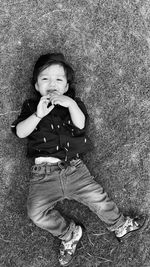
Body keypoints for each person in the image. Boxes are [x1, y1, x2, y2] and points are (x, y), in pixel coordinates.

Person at [11, 53, 145, 266]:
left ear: (65, 87)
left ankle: (120, 224)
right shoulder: (30, 107)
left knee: (98, 199)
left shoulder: (73, 105)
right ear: (37, 86)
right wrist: (37, 115)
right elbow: (19, 132)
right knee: (35, 213)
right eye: (45, 79)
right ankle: (68, 233)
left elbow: (81, 125)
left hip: (73, 169)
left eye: (59, 80)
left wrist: (70, 104)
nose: (52, 84)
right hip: (43, 175)